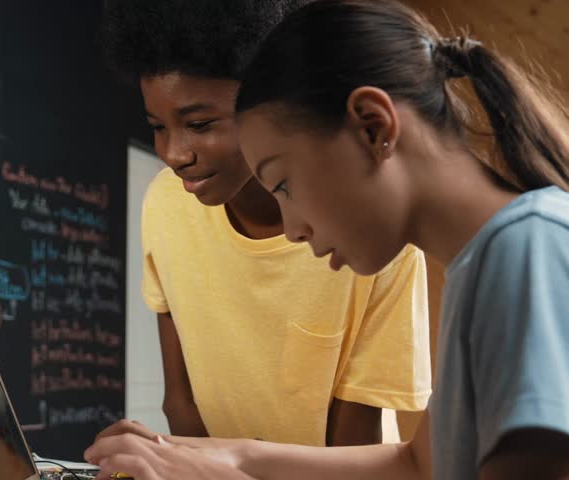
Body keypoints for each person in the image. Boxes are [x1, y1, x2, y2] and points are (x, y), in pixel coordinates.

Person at [86, 0, 569, 478]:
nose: (293, 228)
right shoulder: (485, 263)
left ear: (373, 126)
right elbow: (416, 464)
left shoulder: (527, 249)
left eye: (284, 185)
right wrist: (225, 458)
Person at [100, 0, 432, 447]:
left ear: (272, 104)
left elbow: (355, 446)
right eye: (158, 126)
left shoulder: (371, 238)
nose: (175, 154)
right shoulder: (164, 204)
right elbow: (179, 404)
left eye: (199, 123)